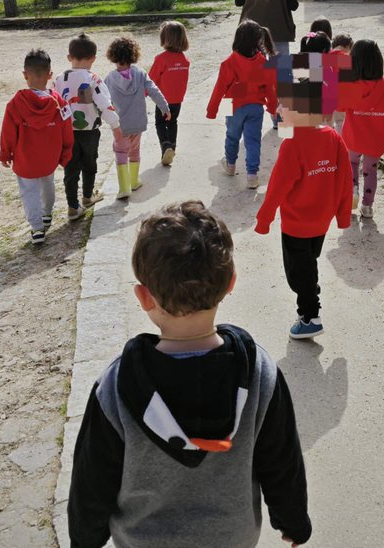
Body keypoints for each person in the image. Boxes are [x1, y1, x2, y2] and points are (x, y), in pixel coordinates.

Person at [67, 200, 312, 548]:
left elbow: (92, 482)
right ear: (231, 283)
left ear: (143, 297)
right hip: (232, 538)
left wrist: (84, 540)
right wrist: (293, 522)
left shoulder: (117, 387)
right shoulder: (259, 374)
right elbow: (282, 462)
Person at [256, 37, 353, 340]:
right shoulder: (333, 138)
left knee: (297, 274)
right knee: (307, 264)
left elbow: (277, 188)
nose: (280, 111)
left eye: (284, 107)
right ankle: (310, 295)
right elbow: (344, 178)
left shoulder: (293, 145)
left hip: (297, 224)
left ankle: (310, 316)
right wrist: (342, 215)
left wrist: (263, 219)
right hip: (321, 220)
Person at [0, 49, 73, 247]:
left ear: (25, 75)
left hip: (25, 159)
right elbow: (67, 130)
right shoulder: (59, 102)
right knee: (48, 183)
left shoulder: (15, 104)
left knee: (29, 192)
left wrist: (5, 153)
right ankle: (47, 213)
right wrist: (66, 153)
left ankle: (37, 227)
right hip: (49, 157)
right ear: (50, 75)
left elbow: (8, 132)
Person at [55, 33, 121, 220]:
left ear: (69, 57)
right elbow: (104, 103)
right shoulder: (94, 79)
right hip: (90, 132)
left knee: (70, 168)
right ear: (93, 58)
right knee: (89, 163)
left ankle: (72, 207)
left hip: (67, 132)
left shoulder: (59, 79)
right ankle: (87, 196)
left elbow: (54, 103)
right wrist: (115, 125)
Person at [207, 21, 278, 190]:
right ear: (258, 41)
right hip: (255, 106)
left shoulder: (229, 63)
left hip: (233, 104)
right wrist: (273, 108)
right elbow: (270, 89)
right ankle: (252, 176)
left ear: (237, 38)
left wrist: (212, 110)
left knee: (232, 136)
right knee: (253, 141)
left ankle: (230, 165)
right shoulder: (264, 63)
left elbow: (219, 89)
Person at [337, 39, 384, 218]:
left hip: (353, 138)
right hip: (375, 139)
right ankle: (368, 206)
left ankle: (353, 191)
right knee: (370, 170)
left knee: (352, 164)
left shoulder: (350, 85)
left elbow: (339, 107)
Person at [105, 37, 170, 201]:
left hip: (120, 125)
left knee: (121, 153)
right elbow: (154, 91)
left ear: (112, 55)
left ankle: (124, 187)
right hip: (138, 122)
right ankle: (134, 181)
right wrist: (165, 107)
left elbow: (103, 100)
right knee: (134, 151)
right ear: (133, 55)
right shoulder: (140, 74)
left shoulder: (110, 79)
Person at [149, 21, 190, 167]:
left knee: (160, 123)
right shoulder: (184, 59)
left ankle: (165, 147)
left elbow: (151, 79)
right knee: (173, 122)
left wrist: (143, 93)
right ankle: (172, 146)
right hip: (177, 99)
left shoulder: (161, 59)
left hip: (163, 100)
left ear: (164, 38)